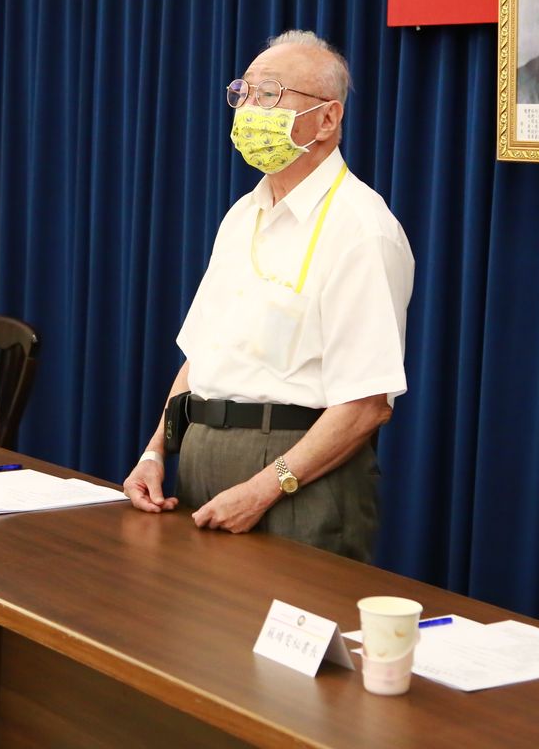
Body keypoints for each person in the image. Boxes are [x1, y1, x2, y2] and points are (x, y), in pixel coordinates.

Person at [121, 30, 414, 563]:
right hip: (201, 458)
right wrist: (155, 452)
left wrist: (264, 488)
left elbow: (367, 405)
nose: (250, 109)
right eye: (244, 93)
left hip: (296, 477)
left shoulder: (362, 228)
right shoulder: (242, 215)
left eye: (271, 94)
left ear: (327, 119)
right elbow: (201, 357)